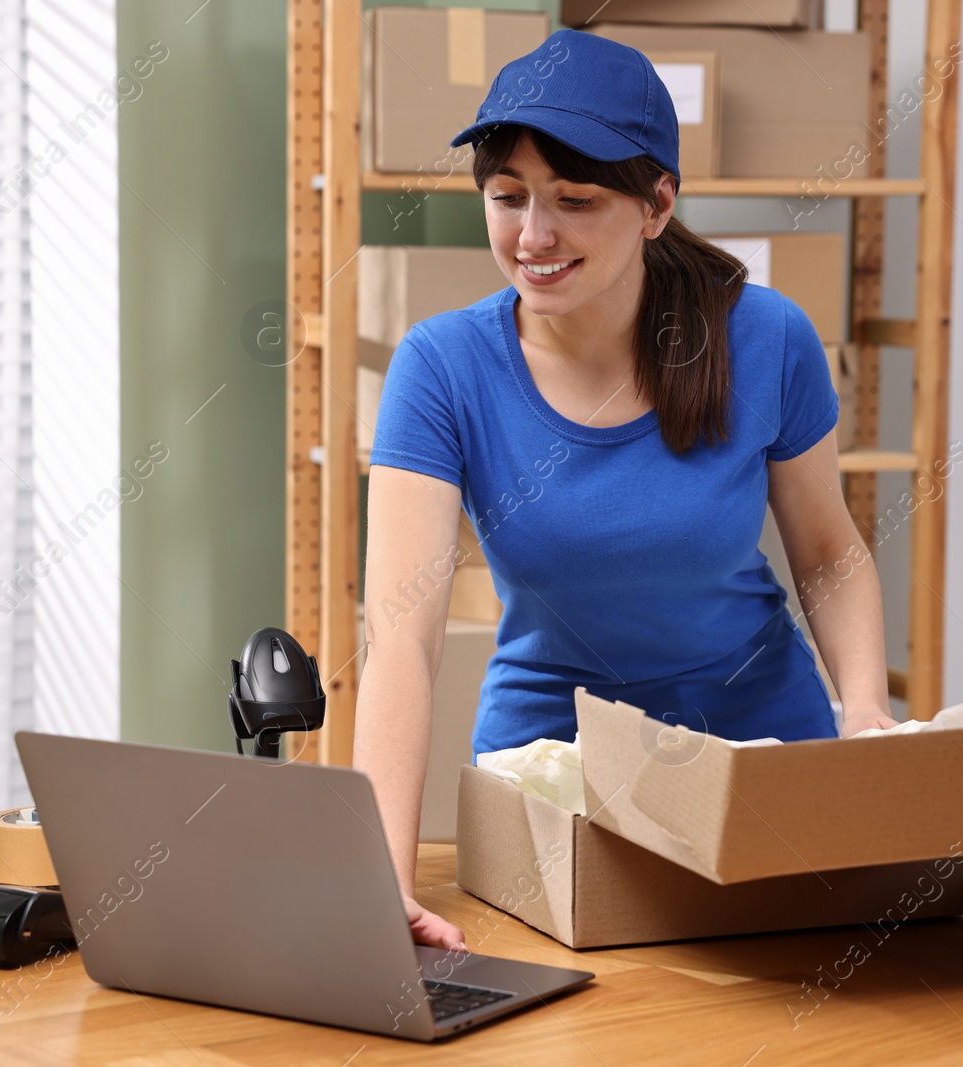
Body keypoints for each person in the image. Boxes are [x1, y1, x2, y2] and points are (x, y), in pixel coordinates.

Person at [352, 30, 897, 952]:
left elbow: (827, 547)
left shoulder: (766, 338)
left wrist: (867, 707)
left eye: (576, 200)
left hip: (758, 751)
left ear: (657, 205)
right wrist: (382, 879)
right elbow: (400, 634)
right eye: (508, 197)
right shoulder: (441, 369)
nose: (533, 236)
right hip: (557, 766)